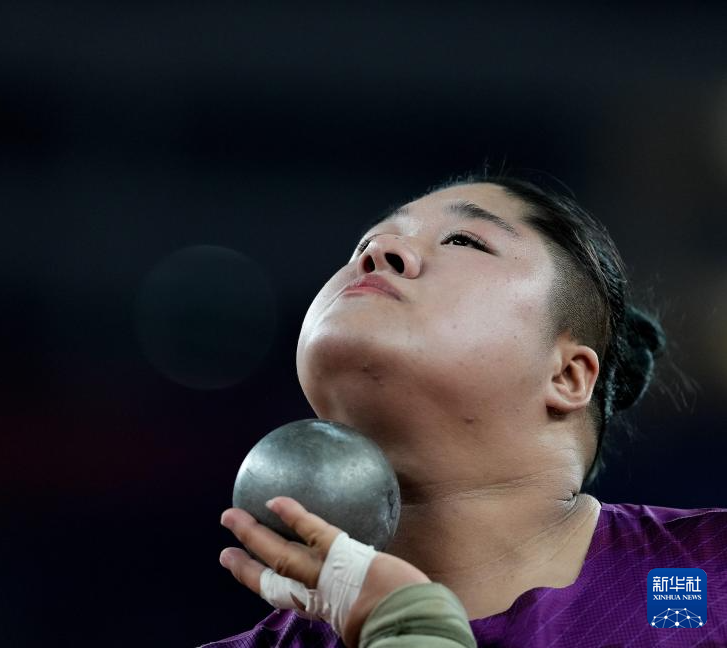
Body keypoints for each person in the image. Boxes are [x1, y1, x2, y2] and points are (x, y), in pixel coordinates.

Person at [202, 171, 727, 647]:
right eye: (363, 244)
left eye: (463, 240)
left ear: (567, 375)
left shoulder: (707, 573)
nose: (379, 250)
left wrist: (407, 626)